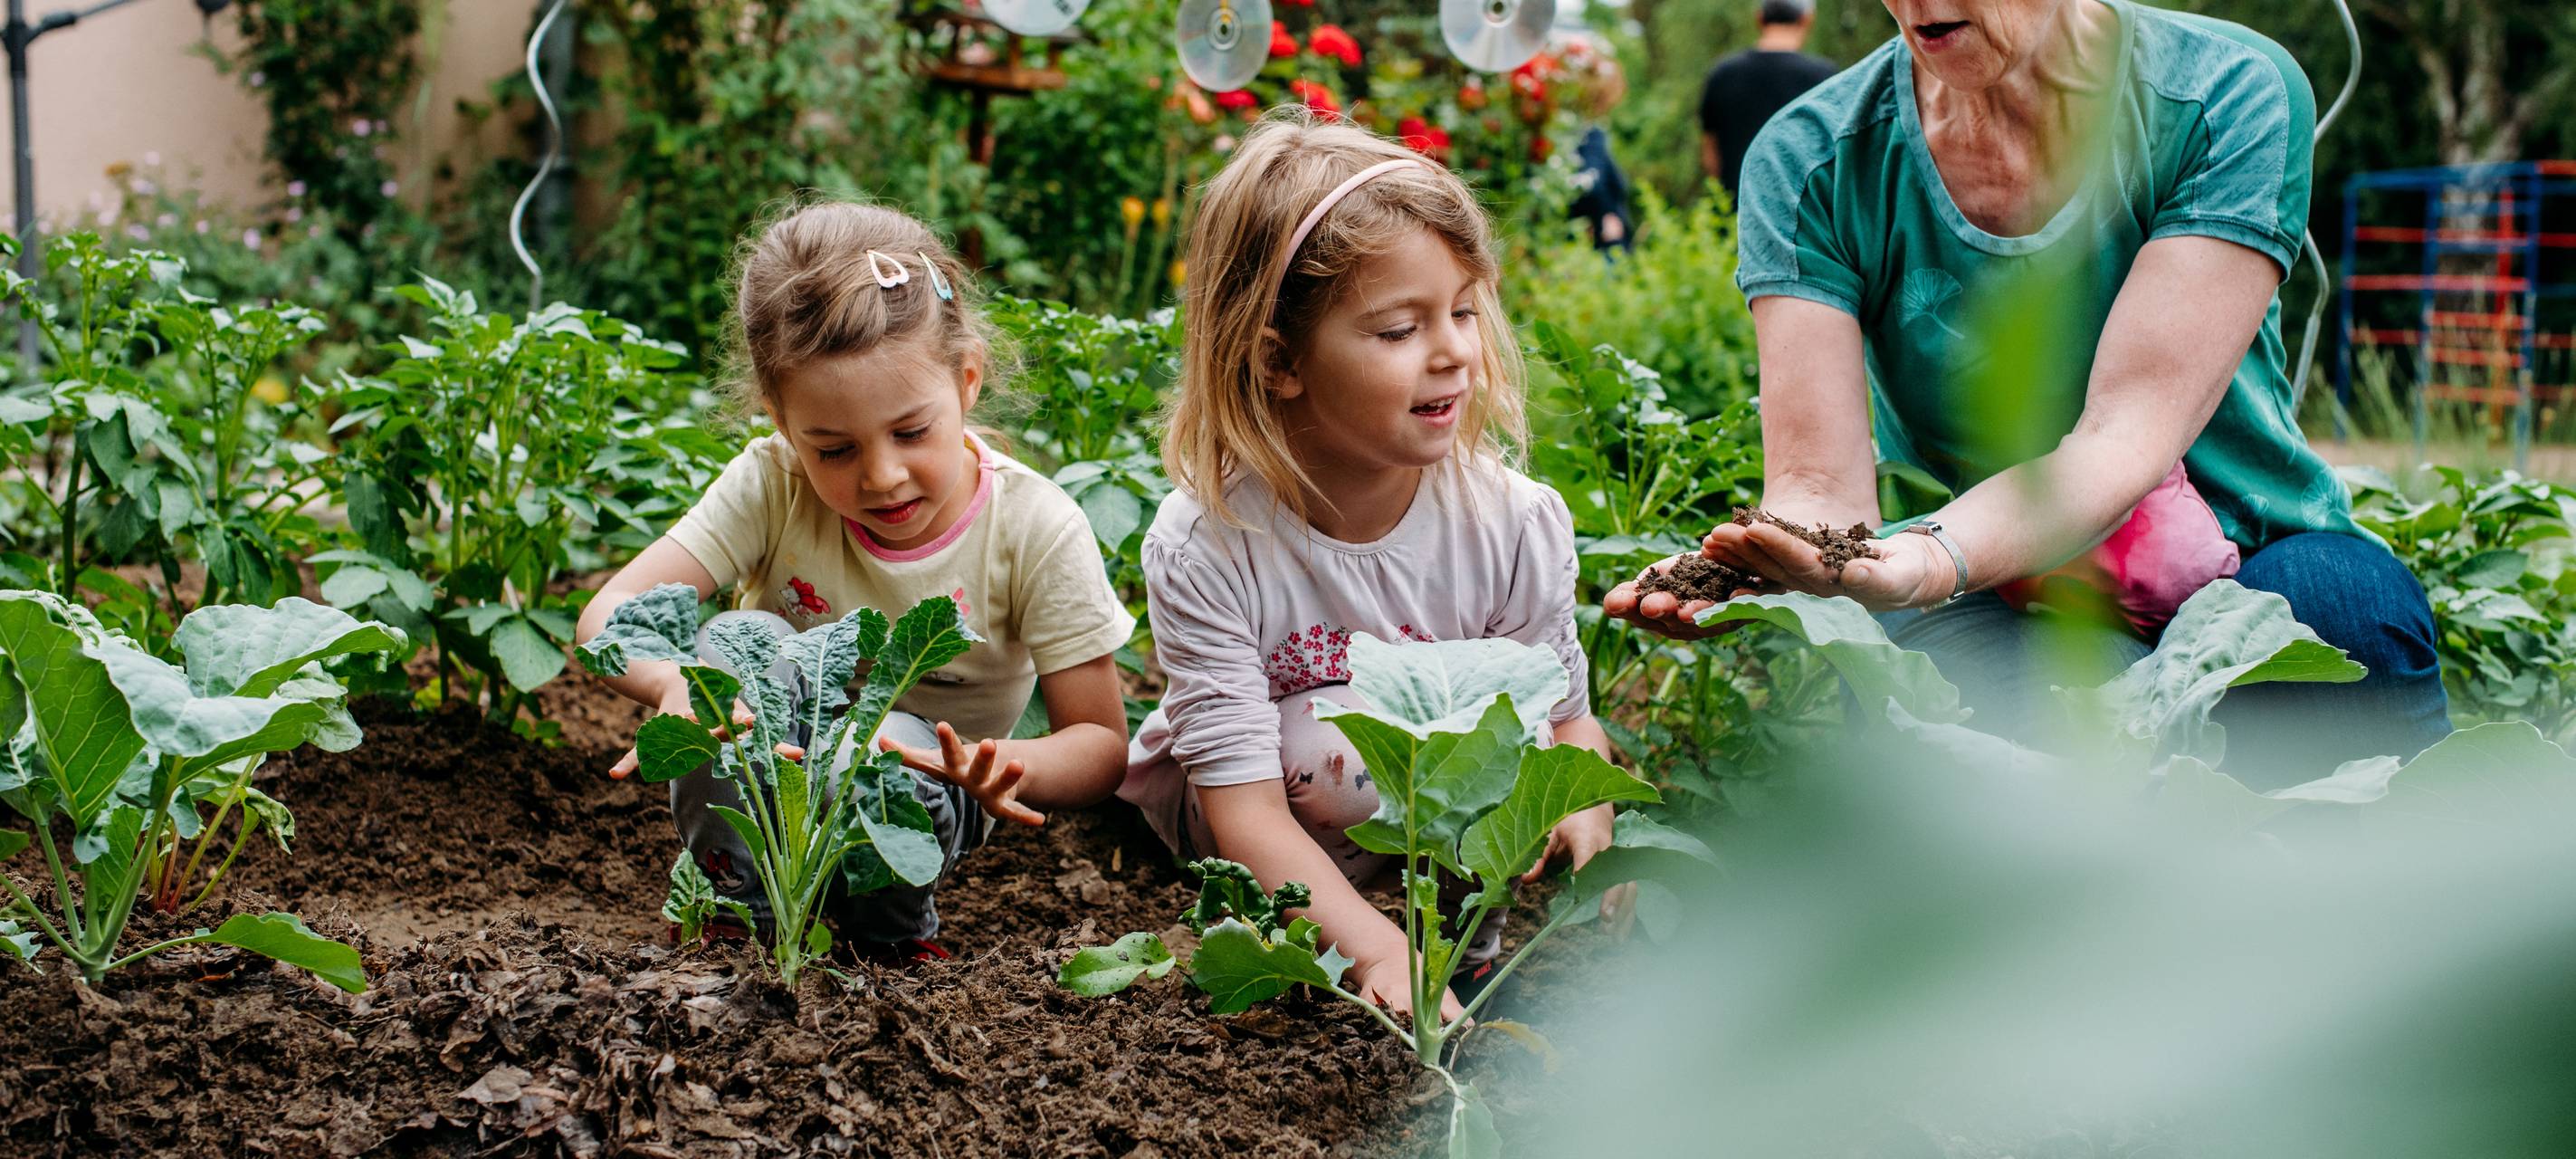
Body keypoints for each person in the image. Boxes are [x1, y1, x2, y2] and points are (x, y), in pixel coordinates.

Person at [1609, 0, 2449, 784]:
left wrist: (1931, 558)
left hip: (2251, 547)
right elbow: (1821, 489)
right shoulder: (1813, 156)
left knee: (2345, 625)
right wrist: (1777, 555)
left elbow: (2125, 432)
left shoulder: (2221, 91)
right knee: (1992, 730)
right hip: (1984, 595)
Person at [1121, 113, 1627, 1021]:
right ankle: (1348, 930)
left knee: (1509, 739)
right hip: (1265, 816)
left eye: (1463, 311)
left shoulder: (1509, 521)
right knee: (1337, 744)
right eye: (1399, 329)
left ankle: (1467, 947)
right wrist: (1375, 947)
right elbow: (1244, 812)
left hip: (1424, 831)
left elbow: (1565, 721)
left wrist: (1588, 813)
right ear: (1279, 360)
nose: (1453, 352)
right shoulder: (1211, 541)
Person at [576, 201, 1136, 957]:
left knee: (871, 758)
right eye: (833, 450)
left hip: (928, 776)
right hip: (774, 764)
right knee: (734, 648)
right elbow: (608, 614)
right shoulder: (772, 483)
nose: (881, 476)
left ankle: (892, 938)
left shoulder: (1035, 527)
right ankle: (733, 915)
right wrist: (675, 686)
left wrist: (1003, 764)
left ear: (967, 380)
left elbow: (1099, 742)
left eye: (912, 432)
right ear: (780, 422)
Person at [1701, 0, 1839, 199]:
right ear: (1807, 19)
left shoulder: (1722, 74)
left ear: (1759, 18)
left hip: (1736, 212)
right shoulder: (1825, 78)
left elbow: (1710, 156)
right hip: (1800, 217)